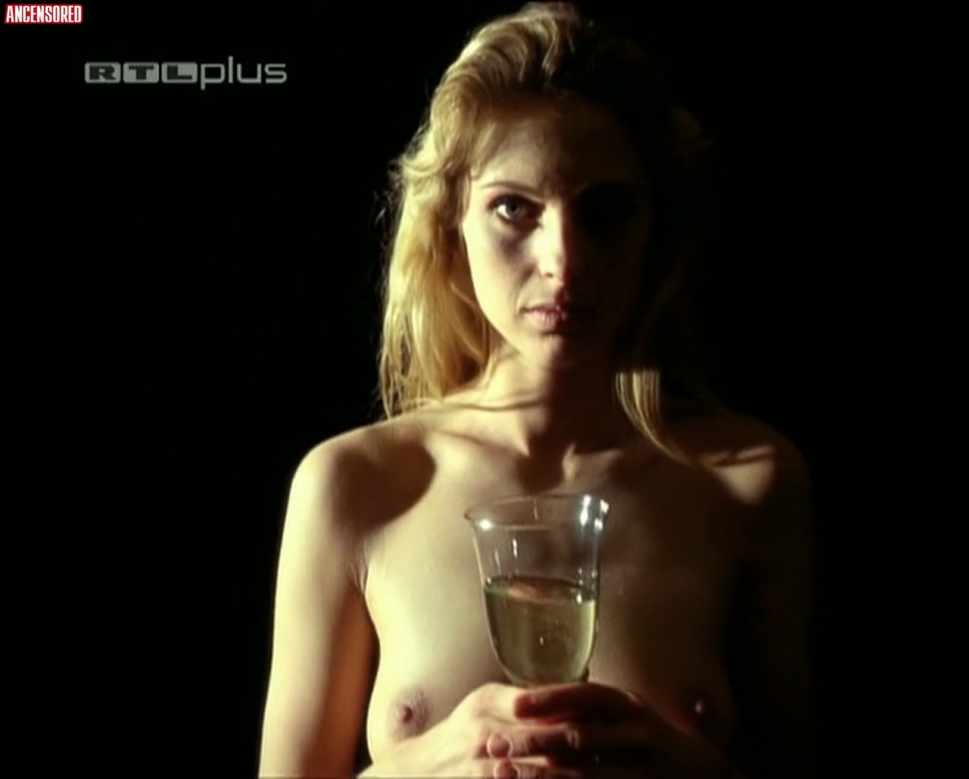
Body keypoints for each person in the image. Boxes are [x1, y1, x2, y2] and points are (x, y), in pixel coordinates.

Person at [258, 3, 813, 777]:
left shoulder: (745, 482)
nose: (564, 262)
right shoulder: (356, 486)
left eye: (605, 211)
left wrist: (681, 765)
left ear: (655, 228)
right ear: (451, 224)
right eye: (514, 208)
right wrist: (437, 759)